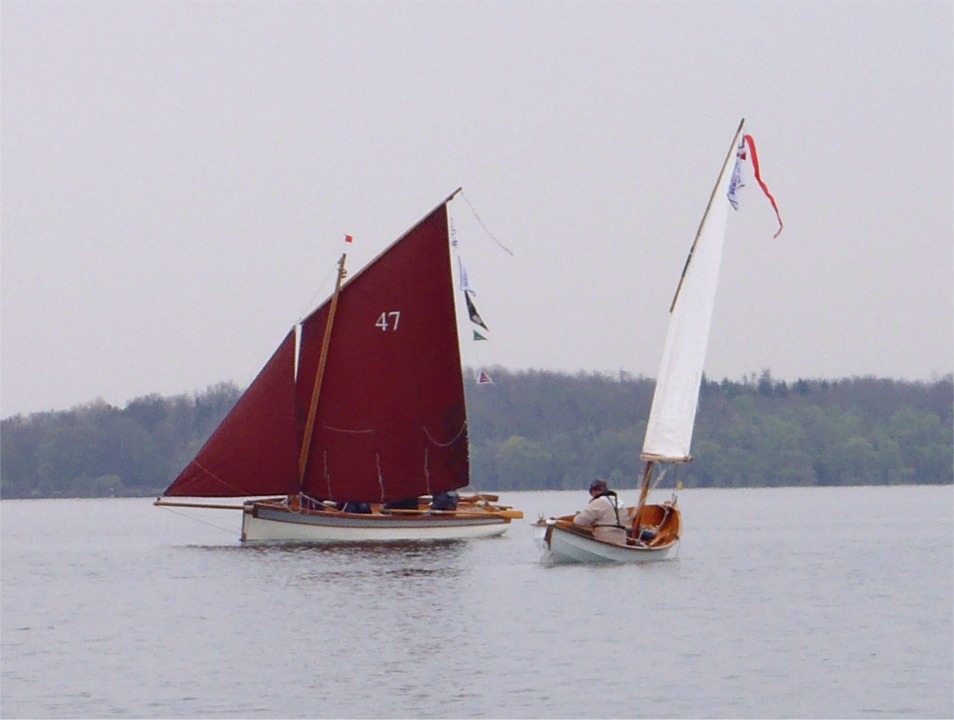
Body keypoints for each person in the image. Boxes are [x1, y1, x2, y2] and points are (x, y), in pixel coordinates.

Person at [573, 479, 627, 545]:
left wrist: (578, 515)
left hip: (605, 541)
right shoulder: (620, 503)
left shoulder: (597, 503)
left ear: (592, 492)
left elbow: (578, 522)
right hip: (622, 541)